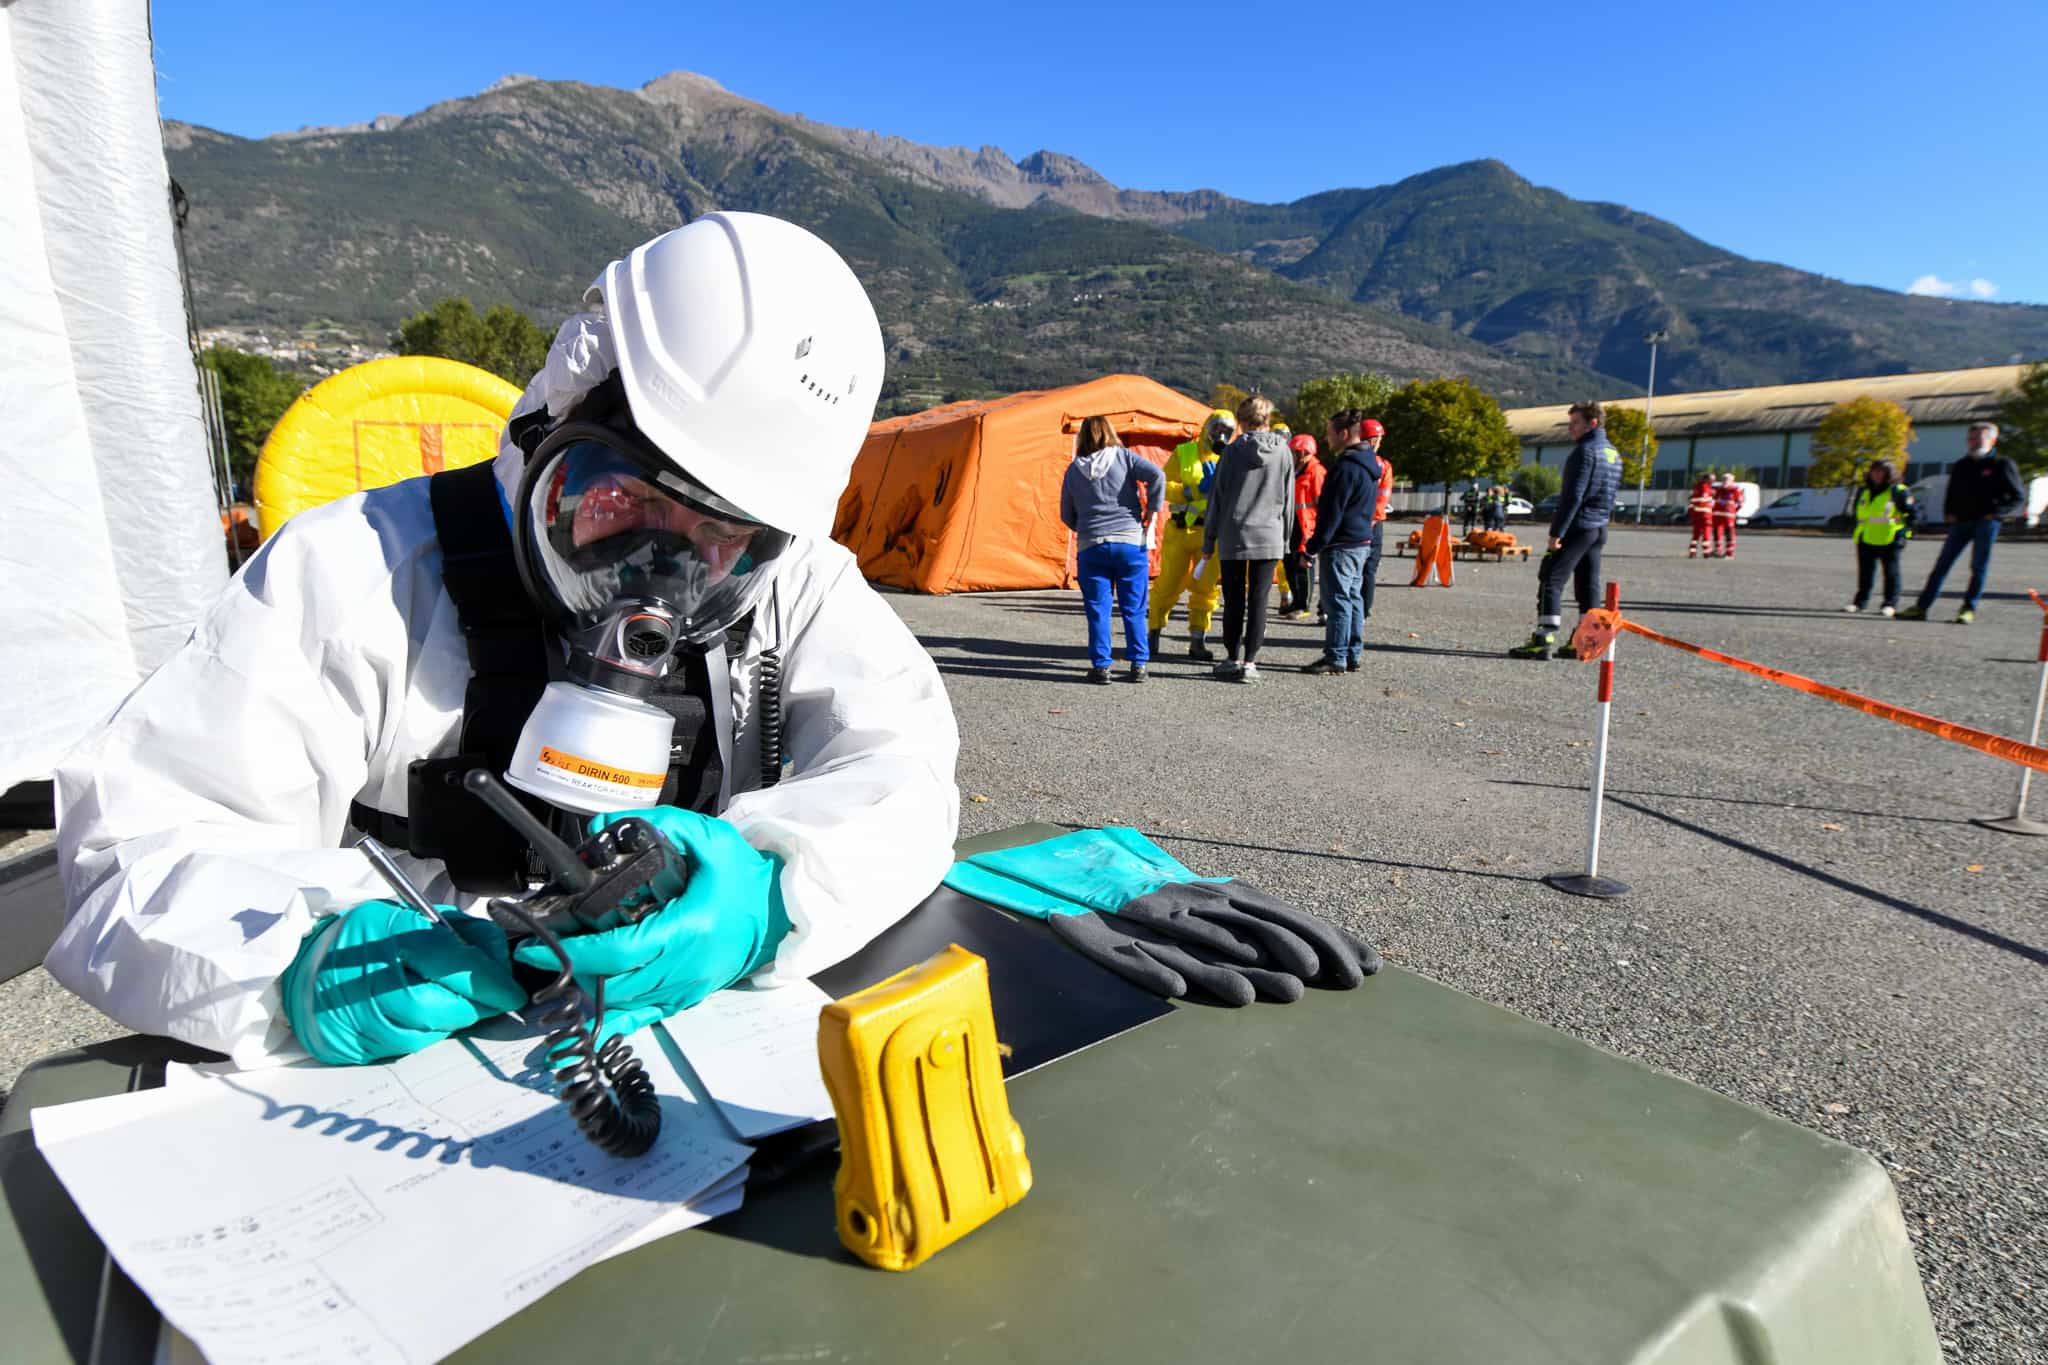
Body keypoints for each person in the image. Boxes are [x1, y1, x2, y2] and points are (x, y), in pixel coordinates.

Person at [47, 212, 962, 1067]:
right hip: (403, 1076)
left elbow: (907, 766)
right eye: (628, 498)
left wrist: (773, 894)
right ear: (556, 413)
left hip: (687, 1051)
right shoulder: (352, 571)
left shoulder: (792, 584)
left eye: (721, 534)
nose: (665, 571)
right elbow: (131, 846)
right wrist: (297, 954)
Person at [1509, 400, 1620, 660]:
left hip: (1578, 525)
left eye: (1575, 423)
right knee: (1588, 585)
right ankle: (1582, 642)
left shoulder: (1584, 452)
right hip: (1599, 527)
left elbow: (1573, 496)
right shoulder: (1613, 453)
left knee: (1551, 579)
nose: (1571, 429)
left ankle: (1543, 639)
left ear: (1593, 423)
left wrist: (1557, 533)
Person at [1061, 415, 1164, 683]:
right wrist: (1152, 509)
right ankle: (1138, 664)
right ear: (1109, 433)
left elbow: (1066, 514)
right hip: (1129, 543)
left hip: (1092, 546)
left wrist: (1086, 526)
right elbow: (1157, 475)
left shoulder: (1073, 470)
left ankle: (1101, 666)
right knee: (1134, 608)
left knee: (1098, 610)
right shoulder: (1125, 457)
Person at [1896, 422, 2028, 624]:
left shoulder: (2002, 464)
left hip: (1986, 522)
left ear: (1992, 440)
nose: (1973, 442)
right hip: (1961, 522)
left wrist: (1997, 513)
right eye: (1971, 439)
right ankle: (1921, 607)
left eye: (1979, 439)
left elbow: (2018, 496)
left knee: (1978, 566)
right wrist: (1948, 513)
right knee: (1942, 565)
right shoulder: (1961, 465)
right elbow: (1952, 491)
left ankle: (1968, 608)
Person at [1203, 395, 1294, 683]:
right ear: (1267, 419)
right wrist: (1286, 540)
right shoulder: (1284, 452)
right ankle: (1250, 662)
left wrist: (1209, 539)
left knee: (1233, 600)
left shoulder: (1231, 452)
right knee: (1259, 600)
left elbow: (1217, 498)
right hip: (1270, 534)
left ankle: (1231, 658)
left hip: (1234, 533)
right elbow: (1289, 499)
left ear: (1240, 421)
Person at [1147, 408, 1237, 661]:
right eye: (1217, 428)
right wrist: (1193, 491)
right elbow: (1163, 485)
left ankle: (1198, 640)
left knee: (1205, 589)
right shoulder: (1184, 452)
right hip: (1179, 531)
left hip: (1211, 534)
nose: (1220, 435)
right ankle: (1153, 633)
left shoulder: (1231, 458)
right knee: (1168, 584)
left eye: (1226, 431)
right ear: (1207, 427)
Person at [1302, 409, 1383, 675]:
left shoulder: (1345, 468)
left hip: (1341, 544)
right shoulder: (1370, 464)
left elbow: (1331, 514)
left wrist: (1312, 548)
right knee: (1353, 599)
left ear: (1344, 433)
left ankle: (1336, 656)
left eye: (1329, 434)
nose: (1326, 439)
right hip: (1361, 541)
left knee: (1337, 601)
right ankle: (1352, 653)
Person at [1842, 460, 1915, 617]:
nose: (1876, 474)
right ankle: (1860, 603)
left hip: (1890, 538)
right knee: (1865, 573)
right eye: (1874, 470)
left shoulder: (1898, 491)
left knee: (1891, 573)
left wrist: (1905, 536)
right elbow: (1859, 513)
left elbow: (1911, 516)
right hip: (1866, 536)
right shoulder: (1864, 491)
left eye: (1881, 471)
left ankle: (1890, 604)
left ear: (1889, 473)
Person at [1279, 433, 1324, 619]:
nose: (1291, 454)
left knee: (1303, 565)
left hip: (1307, 526)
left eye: (1294, 451)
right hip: (1292, 523)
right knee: (1289, 562)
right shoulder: (1295, 470)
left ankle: (1303, 605)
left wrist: (1316, 529)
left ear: (1304, 453)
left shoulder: (1316, 472)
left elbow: (1321, 503)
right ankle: (1296, 601)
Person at [1710, 473, 1741, 559]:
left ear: (1732, 481)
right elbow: (1714, 500)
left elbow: (1740, 503)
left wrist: (1733, 512)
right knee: (1717, 532)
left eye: (1727, 479)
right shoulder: (1719, 490)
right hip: (1717, 515)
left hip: (1728, 516)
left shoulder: (1735, 490)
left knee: (1729, 533)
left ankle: (1729, 553)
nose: (1724, 481)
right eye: (1723, 479)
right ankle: (1718, 550)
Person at [1687, 474, 1714, 558]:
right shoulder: (1706, 488)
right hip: (1705, 515)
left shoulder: (1696, 487)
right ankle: (1706, 552)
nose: (1712, 481)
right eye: (1711, 479)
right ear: (1707, 479)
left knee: (1696, 534)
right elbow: (1705, 499)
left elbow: (1691, 500)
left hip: (1696, 515)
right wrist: (1712, 497)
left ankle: (1692, 552)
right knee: (1706, 534)